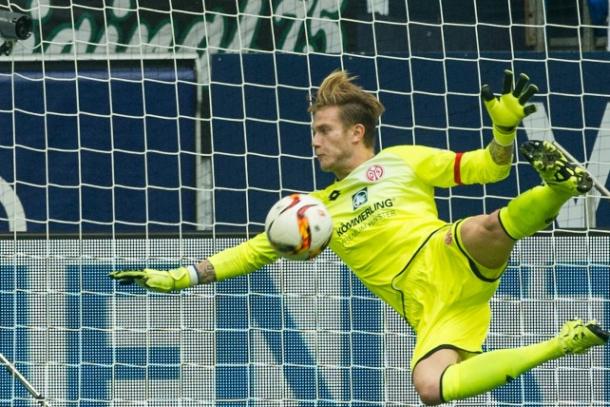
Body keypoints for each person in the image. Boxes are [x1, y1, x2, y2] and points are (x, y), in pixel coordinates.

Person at [110, 69, 608, 405]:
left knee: (485, 226)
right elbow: (253, 252)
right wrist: (179, 277)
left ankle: (561, 188)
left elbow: (487, 171)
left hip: (444, 253)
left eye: (324, 129)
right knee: (430, 387)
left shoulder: (403, 161)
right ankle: (563, 344)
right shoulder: (312, 213)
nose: (315, 140)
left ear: (356, 133)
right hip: (433, 309)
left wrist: (502, 135)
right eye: (314, 131)